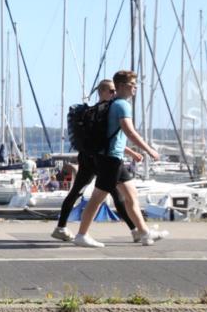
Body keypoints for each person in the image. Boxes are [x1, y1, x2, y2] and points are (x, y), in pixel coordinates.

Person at [51, 79, 160, 243]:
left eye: (114, 91)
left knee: (119, 195)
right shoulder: (100, 111)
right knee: (84, 192)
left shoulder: (105, 110)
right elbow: (108, 138)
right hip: (93, 159)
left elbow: (109, 138)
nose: (113, 94)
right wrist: (146, 150)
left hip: (99, 157)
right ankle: (68, 229)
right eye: (110, 91)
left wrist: (130, 152)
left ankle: (137, 230)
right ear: (102, 92)